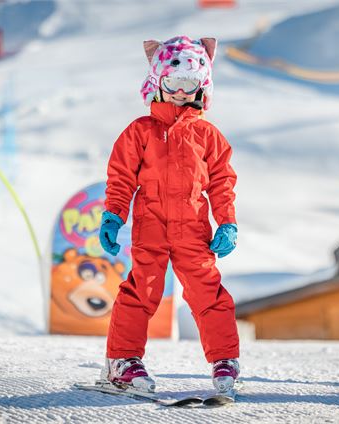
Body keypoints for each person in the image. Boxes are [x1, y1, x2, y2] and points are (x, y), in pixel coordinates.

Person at [98, 35, 240, 393]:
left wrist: (227, 221)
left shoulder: (208, 135)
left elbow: (222, 181)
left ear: (202, 86)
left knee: (208, 292)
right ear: (158, 82)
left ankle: (224, 360)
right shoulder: (139, 132)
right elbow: (121, 177)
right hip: (151, 225)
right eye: (173, 82)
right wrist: (114, 215)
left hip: (193, 227)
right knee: (142, 289)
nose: (180, 91)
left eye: (189, 83)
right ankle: (122, 361)